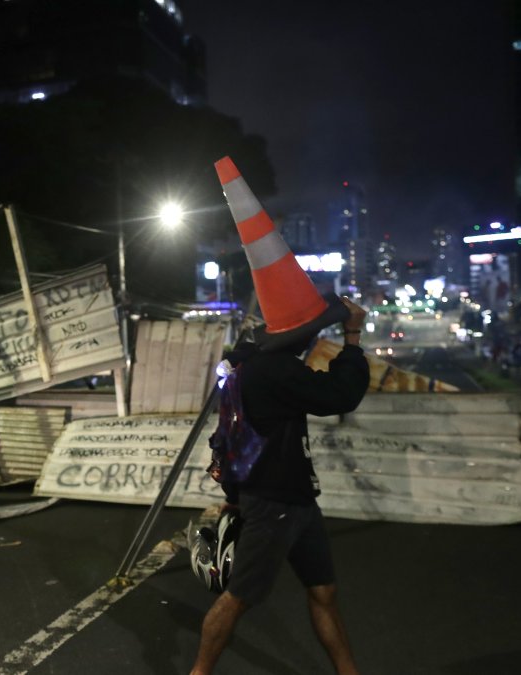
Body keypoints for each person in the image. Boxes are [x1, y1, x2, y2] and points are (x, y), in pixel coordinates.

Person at [197, 156, 370, 675]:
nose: (316, 337)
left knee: (324, 592)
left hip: (292, 498)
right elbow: (341, 394)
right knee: (238, 598)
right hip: (274, 501)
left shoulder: (250, 366)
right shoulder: (275, 372)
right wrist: (353, 339)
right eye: (313, 330)